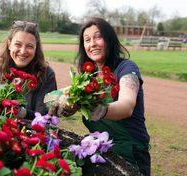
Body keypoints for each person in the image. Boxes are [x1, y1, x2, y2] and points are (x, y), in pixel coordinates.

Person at [49, 17, 151, 176]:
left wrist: (98, 109)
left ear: (109, 39)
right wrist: (64, 105)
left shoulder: (126, 67)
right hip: (99, 150)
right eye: (87, 40)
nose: (93, 44)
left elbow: (127, 105)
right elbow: (53, 100)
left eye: (98, 37)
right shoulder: (86, 79)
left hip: (130, 151)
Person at [0, 20, 57, 119]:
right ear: (9, 45)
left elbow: (46, 116)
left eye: (30, 46)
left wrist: (21, 112)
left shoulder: (47, 74)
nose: (23, 51)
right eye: (18, 44)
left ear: (36, 48)